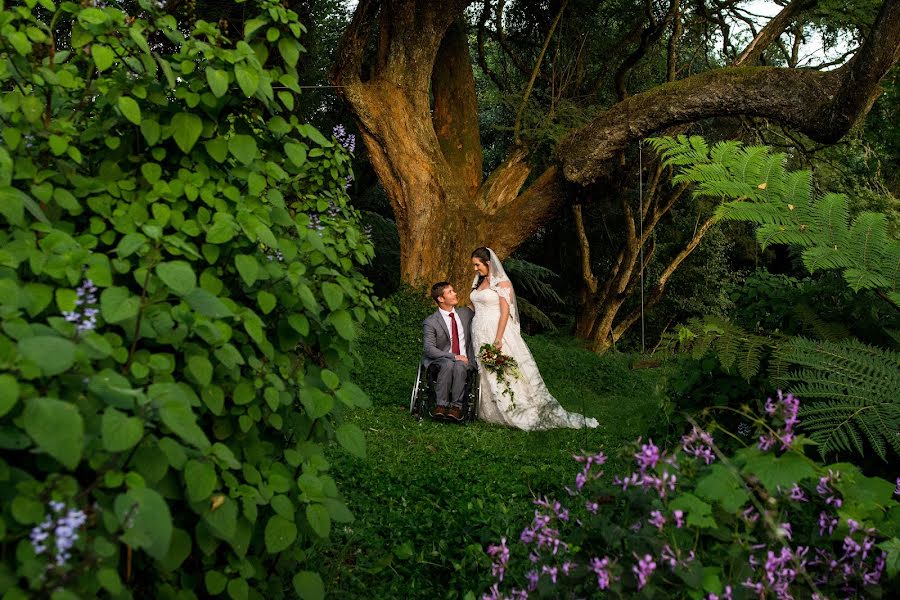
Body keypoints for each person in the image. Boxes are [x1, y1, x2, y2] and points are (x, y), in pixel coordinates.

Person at [469, 247, 599, 430]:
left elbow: (506, 312)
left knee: (504, 368)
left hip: (496, 330)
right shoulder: (478, 282)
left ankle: (515, 408)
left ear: (488, 263)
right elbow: (474, 305)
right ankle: (488, 409)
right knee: (484, 367)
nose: (475, 268)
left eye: (477, 264)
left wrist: (498, 339)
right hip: (478, 330)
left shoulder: (502, 284)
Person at [421, 281, 476, 422]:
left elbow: (481, 302)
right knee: (448, 364)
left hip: (463, 360)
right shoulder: (431, 322)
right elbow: (429, 349)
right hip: (441, 359)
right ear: (441, 299)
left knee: (459, 365)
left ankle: (456, 407)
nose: (455, 293)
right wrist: (453, 356)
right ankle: (441, 405)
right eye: (450, 292)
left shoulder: (465, 314)